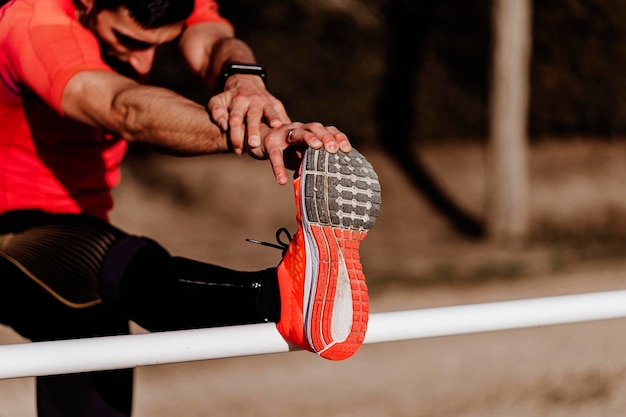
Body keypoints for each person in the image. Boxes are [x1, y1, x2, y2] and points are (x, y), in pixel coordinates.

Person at [0, 0, 382, 415]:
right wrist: (258, 133)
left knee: (98, 300)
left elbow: (214, 39)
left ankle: (295, 297)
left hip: (78, 254)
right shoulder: (34, 21)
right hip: (15, 234)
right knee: (107, 261)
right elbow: (123, 107)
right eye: (126, 39)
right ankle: (280, 296)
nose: (142, 59)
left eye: (158, 44)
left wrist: (243, 82)